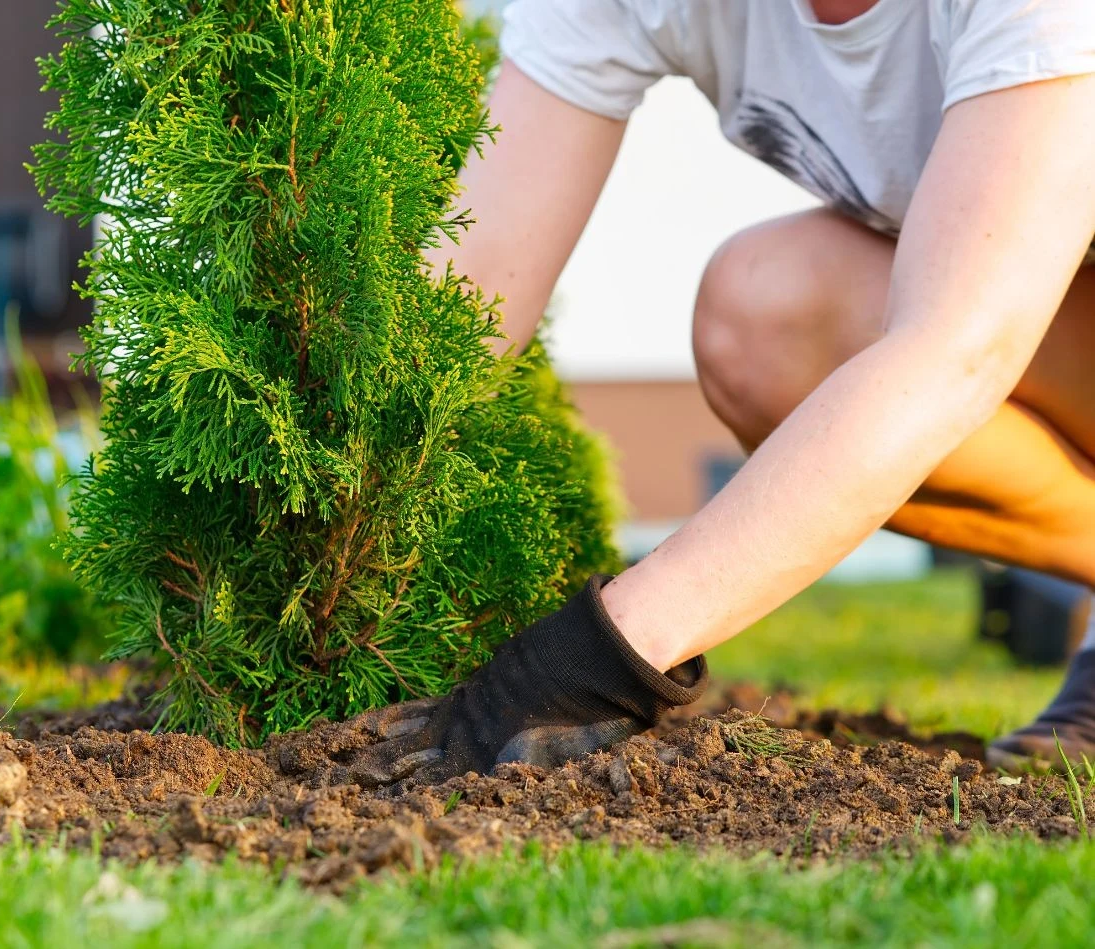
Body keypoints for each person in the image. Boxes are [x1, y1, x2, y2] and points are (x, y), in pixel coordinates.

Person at [351, 0, 1095, 787]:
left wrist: (600, 656)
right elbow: (471, 297)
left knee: (900, 330)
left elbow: (955, 350)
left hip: (1003, 328)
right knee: (767, 316)